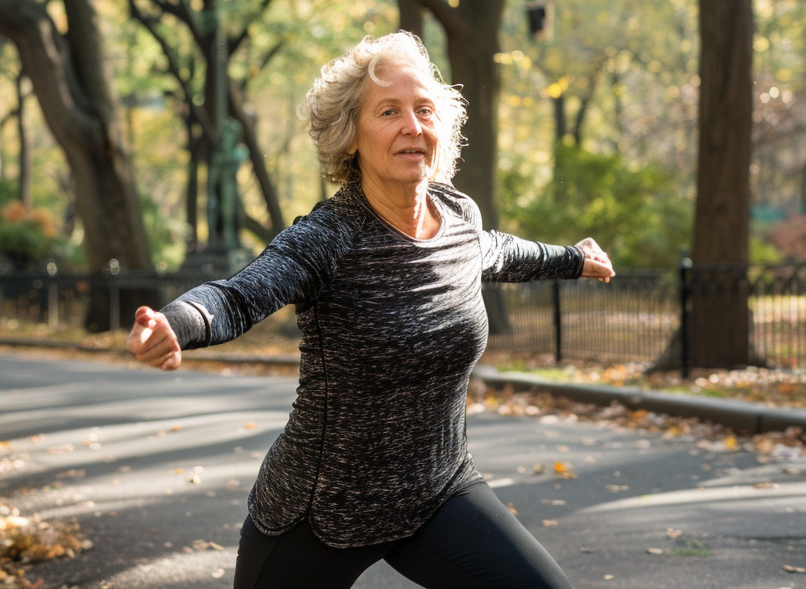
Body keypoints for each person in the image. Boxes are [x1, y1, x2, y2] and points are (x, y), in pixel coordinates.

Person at [127, 31, 614, 589]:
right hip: (319, 512)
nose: (412, 126)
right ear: (351, 135)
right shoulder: (329, 237)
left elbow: (504, 252)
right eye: (389, 111)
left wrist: (573, 260)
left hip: (438, 490)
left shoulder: (458, 216)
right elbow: (241, 294)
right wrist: (177, 325)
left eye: (424, 110)